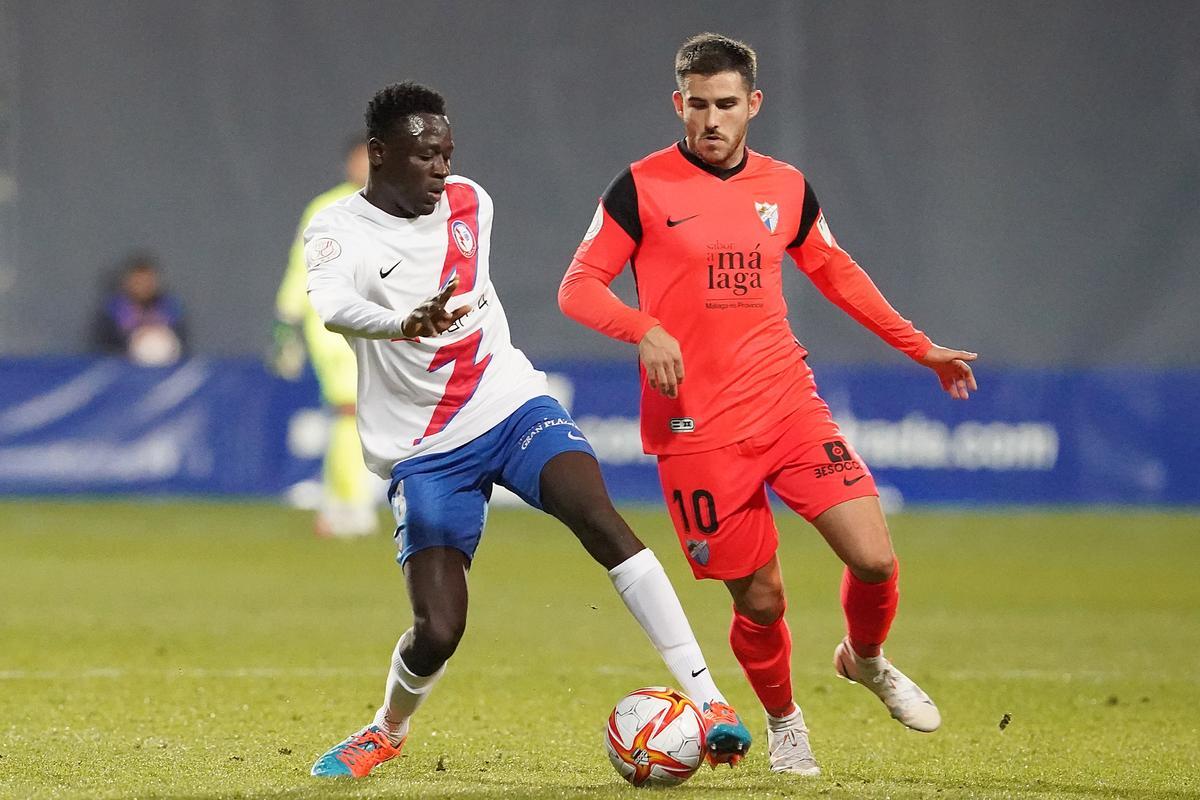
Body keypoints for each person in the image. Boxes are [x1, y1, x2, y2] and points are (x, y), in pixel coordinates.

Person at [302, 82, 752, 779]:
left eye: (448, 154)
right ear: (381, 155)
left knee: (600, 518)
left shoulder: (471, 204)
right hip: (424, 450)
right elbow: (333, 307)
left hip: (508, 404)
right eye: (425, 157)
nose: (442, 170)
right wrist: (404, 322)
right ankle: (387, 729)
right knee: (439, 631)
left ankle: (712, 701)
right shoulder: (337, 229)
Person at [558, 33, 978, 775]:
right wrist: (644, 326)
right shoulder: (640, 187)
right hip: (694, 427)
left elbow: (835, 271)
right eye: (697, 105)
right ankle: (787, 723)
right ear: (677, 102)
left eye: (726, 105)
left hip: (787, 402)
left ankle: (867, 659)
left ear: (753, 104)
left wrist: (921, 347)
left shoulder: (785, 187)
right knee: (760, 600)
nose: (711, 120)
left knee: (876, 559)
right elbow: (579, 286)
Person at [273, 135, 379, 537]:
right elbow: (301, 269)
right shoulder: (326, 208)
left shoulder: (396, 209)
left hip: (379, 325)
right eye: (360, 160)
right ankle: (353, 506)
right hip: (332, 325)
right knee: (351, 410)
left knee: (358, 415)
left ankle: (336, 502)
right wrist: (286, 322)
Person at [93, 252, 187, 366]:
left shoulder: (168, 305)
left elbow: (179, 337)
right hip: (125, 365)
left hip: (164, 364)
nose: (143, 286)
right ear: (128, 282)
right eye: (138, 281)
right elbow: (107, 342)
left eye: (147, 281)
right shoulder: (115, 307)